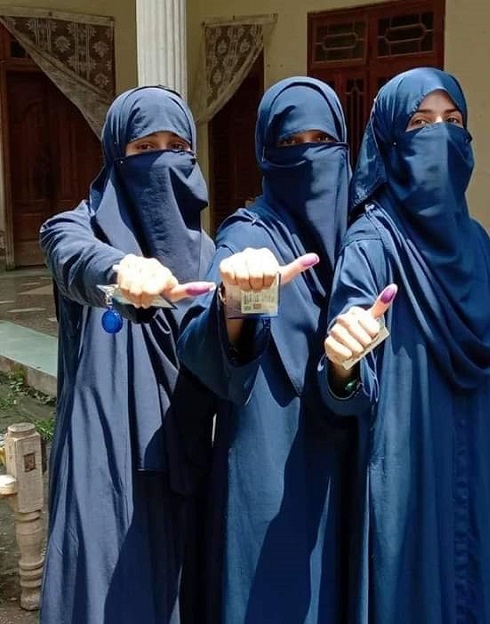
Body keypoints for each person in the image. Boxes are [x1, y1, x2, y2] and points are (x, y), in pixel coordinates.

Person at [320, 68, 490, 624]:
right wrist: (342, 359)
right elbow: (345, 365)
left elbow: (484, 375)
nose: (438, 135)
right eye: (418, 123)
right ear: (388, 142)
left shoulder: (475, 242)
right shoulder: (372, 240)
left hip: (473, 452)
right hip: (405, 463)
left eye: (452, 122)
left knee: (471, 590)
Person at [178, 77, 353, 623]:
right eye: (290, 144)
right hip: (273, 460)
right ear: (265, 154)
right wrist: (238, 303)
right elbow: (200, 343)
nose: (308, 156)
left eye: (322, 139)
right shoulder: (249, 237)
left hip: (350, 451)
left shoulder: (365, 237)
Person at [39, 86, 217, 623]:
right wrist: (121, 271)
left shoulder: (208, 251)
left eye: (176, 145)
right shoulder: (80, 227)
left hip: (191, 449)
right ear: (117, 155)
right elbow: (69, 255)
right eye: (143, 148)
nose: (162, 159)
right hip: (107, 455)